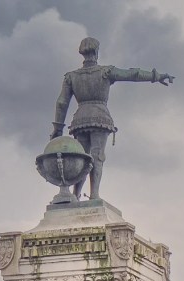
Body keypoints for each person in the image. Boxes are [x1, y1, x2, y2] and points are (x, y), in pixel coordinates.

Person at [50, 37, 174, 200]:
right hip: (100, 117)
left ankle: (76, 194)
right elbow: (132, 74)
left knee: (82, 157)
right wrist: (155, 76)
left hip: (79, 120)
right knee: (97, 156)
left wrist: (57, 129)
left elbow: (61, 103)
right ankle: (94, 194)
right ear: (96, 52)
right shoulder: (105, 71)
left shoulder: (71, 76)